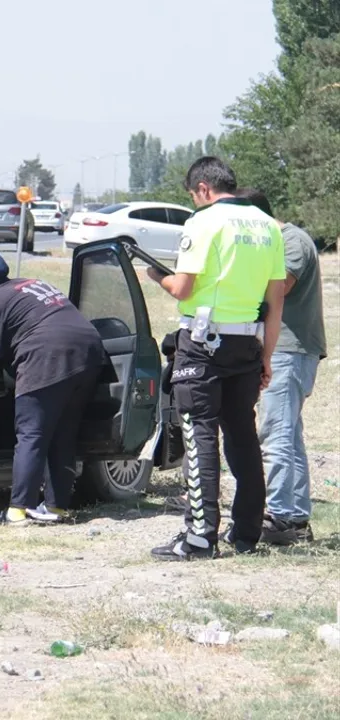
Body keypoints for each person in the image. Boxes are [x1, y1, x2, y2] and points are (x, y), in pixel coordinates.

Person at [147, 157, 286, 561]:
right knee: (242, 435)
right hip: (248, 343)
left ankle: (198, 536)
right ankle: (245, 532)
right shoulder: (266, 226)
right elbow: (275, 303)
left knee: (199, 434)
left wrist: (158, 276)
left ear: (204, 189)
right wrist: (267, 356)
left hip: (203, 343)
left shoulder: (203, 222)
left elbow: (184, 288)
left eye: (194, 195)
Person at [0, 253, 105, 524]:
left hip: (47, 357)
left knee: (31, 434)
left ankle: (18, 510)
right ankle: (56, 507)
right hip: (89, 350)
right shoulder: (29, 284)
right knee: (63, 434)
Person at [236, 188, 327, 546]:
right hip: (285, 349)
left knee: (276, 434)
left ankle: (280, 516)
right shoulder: (278, 241)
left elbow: (279, 288)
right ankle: (296, 518)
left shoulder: (292, 242)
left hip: (290, 350)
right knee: (288, 434)